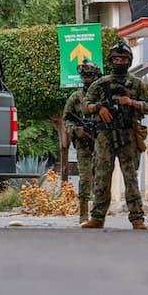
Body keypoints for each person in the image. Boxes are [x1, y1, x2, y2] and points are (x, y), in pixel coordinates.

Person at [81, 41, 148, 230]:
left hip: (128, 134)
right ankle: (97, 217)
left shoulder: (137, 84)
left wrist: (132, 103)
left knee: (131, 177)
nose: (119, 61)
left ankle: (137, 218)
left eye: (122, 58)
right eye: (115, 58)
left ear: (129, 61)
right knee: (102, 176)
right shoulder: (100, 84)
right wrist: (99, 108)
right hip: (105, 135)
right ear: (110, 60)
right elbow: (85, 105)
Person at [63, 61, 102, 225]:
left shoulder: (102, 97)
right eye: (84, 76)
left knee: (101, 180)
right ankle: (83, 214)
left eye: (89, 75)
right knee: (85, 179)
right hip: (83, 145)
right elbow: (67, 120)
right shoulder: (76, 98)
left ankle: (98, 215)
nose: (86, 79)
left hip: (101, 144)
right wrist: (77, 131)